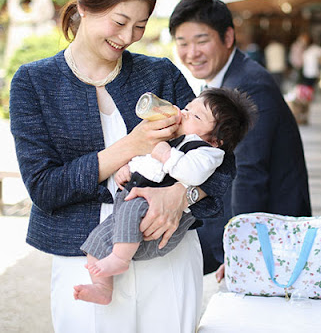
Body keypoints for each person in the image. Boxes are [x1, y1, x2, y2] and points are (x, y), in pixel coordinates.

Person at [9, 0, 234, 333]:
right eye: (119, 21)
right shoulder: (34, 83)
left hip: (168, 253)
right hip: (85, 259)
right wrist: (130, 146)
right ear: (83, 6)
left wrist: (182, 195)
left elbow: (223, 162)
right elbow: (44, 188)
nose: (127, 37)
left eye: (140, 26)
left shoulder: (160, 74)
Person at [169, 0, 312, 279]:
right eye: (182, 43)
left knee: (168, 252)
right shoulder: (228, 79)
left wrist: (240, 250)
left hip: (273, 229)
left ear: (228, 38)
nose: (191, 53)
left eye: (201, 40)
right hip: (246, 212)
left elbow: (249, 171)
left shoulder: (247, 88)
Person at [74, 88, 257, 305]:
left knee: (132, 210)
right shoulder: (171, 135)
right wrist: (128, 167)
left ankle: (120, 259)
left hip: (150, 206)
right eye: (187, 108)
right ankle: (102, 287)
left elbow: (194, 172)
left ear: (216, 140)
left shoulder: (207, 152)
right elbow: (144, 159)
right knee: (97, 238)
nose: (185, 113)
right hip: (133, 195)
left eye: (196, 116)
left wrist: (166, 155)